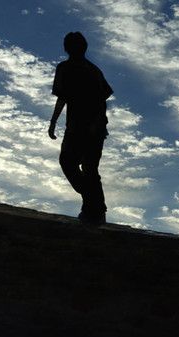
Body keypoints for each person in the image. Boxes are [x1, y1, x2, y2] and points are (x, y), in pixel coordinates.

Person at [48, 32, 113, 225]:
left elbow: (102, 100)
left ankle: (94, 210)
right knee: (77, 165)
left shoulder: (92, 71)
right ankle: (94, 207)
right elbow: (63, 97)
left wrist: (95, 124)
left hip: (89, 127)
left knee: (85, 167)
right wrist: (53, 122)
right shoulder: (68, 69)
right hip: (80, 126)